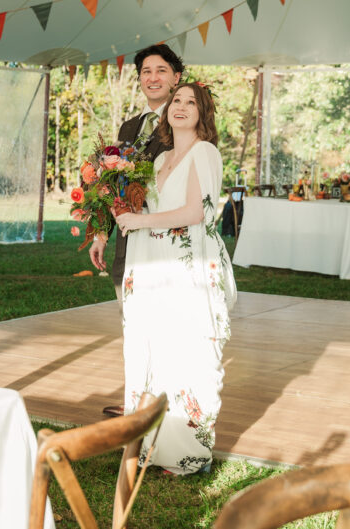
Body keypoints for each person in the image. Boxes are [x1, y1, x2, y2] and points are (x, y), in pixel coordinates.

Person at [114, 81, 237, 475]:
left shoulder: (205, 152)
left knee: (189, 352)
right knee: (154, 349)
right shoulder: (158, 159)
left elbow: (195, 213)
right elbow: (147, 208)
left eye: (191, 102)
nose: (181, 107)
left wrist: (140, 220)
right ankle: (151, 443)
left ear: (203, 113)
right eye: (176, 101)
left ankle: (189, 453)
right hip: (155, 267)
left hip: (189, 267)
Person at [90, 44, 181, 418]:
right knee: (134, 321)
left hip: (164, 240)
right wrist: (101, 233)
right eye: (146, 71)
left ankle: (169, 403)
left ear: (176, 78)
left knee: (164, 322)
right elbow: (112, 182)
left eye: (161, 70)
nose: (153, 78)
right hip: (128, 242)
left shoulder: (184, 120)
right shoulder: (130, 126)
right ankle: (137, 400)